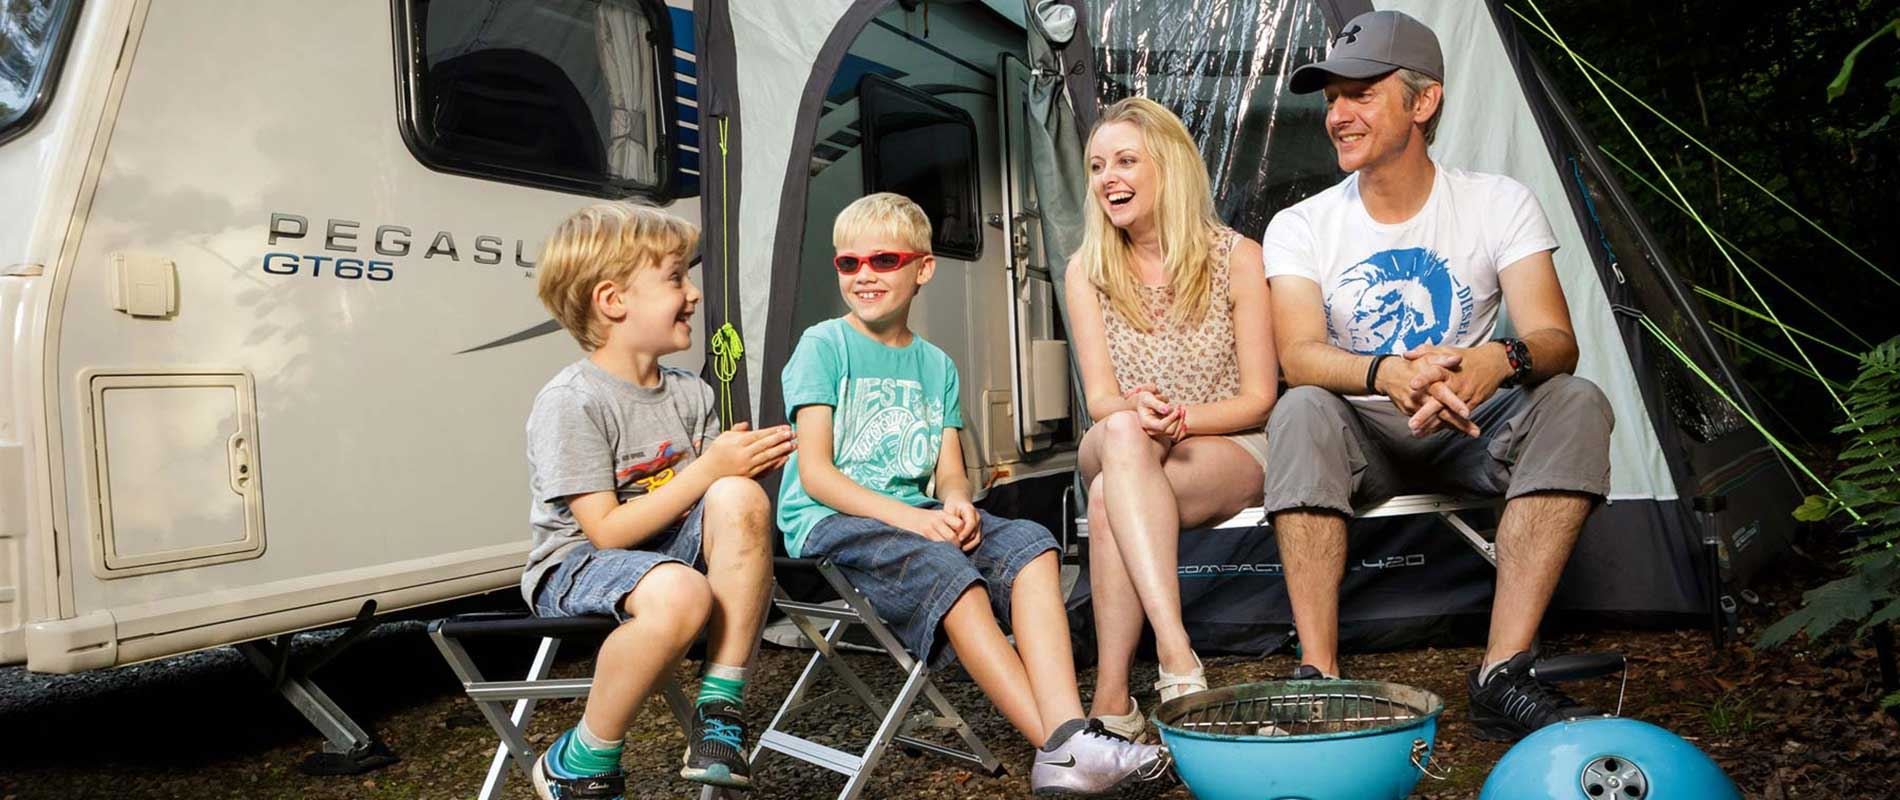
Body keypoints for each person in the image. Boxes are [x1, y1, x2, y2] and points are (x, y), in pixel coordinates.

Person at [1261, 10, 1615, 741]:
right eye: (1331, 98)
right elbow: (1298, 353)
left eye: (1360, 93)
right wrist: (1387, 370)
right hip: (1363, 431)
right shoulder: (1302, 224)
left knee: (1576, 401)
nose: (1338, 115)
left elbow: (1555, 339)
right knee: (1299, 408)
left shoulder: (1497, 201)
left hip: (1470, 424)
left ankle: (1502, 674)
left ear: (1423, 103)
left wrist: (1497, 359)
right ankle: (1318, 677)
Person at [776, 193, 1172, 795]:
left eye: (883, 260)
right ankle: (1065, 749)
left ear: (923, 269)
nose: (864, 276)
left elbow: (950, 473)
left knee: (1034, 543)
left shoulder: (936, 365)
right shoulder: (824, 345)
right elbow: (817, 476)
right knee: (945, 565)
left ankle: (1067, 733)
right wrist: (916, 520)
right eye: (848, 264)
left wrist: (957, 501)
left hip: (913, 515)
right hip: (828, 519)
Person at [521, 203, 795, 798]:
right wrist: (709, 471)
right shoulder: (573, 401)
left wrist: (740, 469)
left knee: (741, 495)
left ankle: (721, 710)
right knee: (683, 587)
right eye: (675, 277)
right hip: (576, 565)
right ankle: (583, 755)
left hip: (670, 553)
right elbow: (607, 534)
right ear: (613, 301)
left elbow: (712, 501)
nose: (693, 294)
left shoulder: (690, 392)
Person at [1062, 97, 1278, 741]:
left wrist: (1182, 420)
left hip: (1224, 442)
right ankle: (1177, 652)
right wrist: (1137, 411)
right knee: (1123, 437)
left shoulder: (1237, 257)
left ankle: (1111, 700)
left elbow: (1260, 399)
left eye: (1126, 161)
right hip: (1121, 437)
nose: (1108, 179)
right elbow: (1101, 399)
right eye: (1098, 166)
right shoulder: (1087, 269)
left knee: (1107, 501)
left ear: (1170, 168)